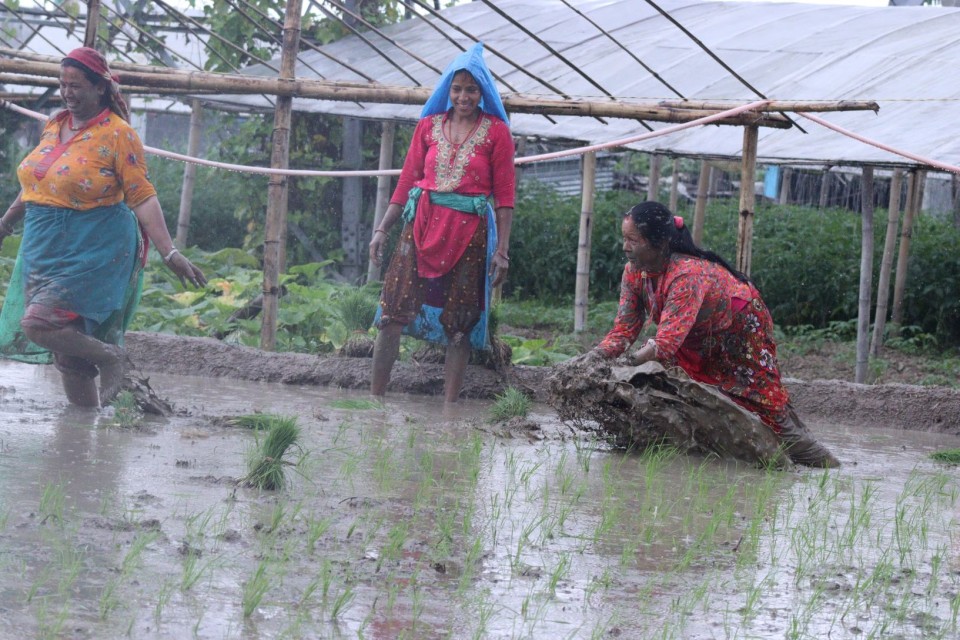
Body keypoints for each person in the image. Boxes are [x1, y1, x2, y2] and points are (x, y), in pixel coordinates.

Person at [0, 47, 206, 408]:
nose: (68, 92)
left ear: (101, 88)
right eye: (63, 84)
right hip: (44, 246)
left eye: (76, 85)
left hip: (94, 247)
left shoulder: (118, 134)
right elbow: (38, 184)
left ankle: (111, 357)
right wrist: (4, 224)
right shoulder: (55, 124)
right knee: (71, 359)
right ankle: (84, 434)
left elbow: (142, 195)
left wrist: (169, 251)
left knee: (38, 324)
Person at [577, 201, 839, 468]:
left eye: (633, 240)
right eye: (624, 239)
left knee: (764, 407)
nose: (625, 247)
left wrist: (624, 365)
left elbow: (665, 344)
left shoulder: (687, 274)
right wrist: (594, 358)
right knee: (689, 397)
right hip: (692, 336)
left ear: (659, 242)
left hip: (740, 330)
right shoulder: (634, 273)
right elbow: (624, 329)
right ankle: (711, 455)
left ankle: (825, 466)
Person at [368, 42, 515, 404]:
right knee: (391, 314)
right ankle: (374, 402)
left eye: (471, 89)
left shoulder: (496, 132)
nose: (463, 96)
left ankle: (450, 413)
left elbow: (506, 197)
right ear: (447, 91)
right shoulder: (429, 127)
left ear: (483, 92)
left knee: (460, 326)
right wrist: (381, 229)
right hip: (419, 226)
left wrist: (503, 251)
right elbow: (405, 182)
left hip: (469, 235)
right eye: (457, 89)